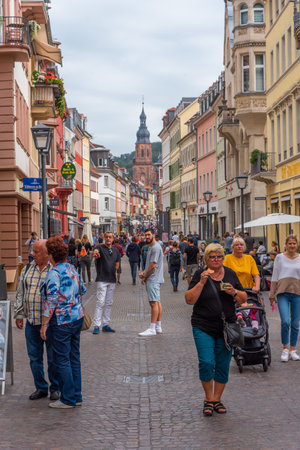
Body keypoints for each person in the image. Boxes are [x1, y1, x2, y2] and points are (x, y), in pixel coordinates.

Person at [185, 243, 246, 416]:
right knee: (206, 362)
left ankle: (217, 399)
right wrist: (202, 283)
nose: (216, 260)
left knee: (222, 364)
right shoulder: (199, 274)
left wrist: (233, 292)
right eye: (212, 257)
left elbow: (243, 299)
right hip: (202, 325)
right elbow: (189, 300)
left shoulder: (231, 274)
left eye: (219, 256)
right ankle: (208, 398)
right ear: (206, 259)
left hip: (227, 328)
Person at [40, 236, 86, 409]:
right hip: (76, 317)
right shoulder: (72, 268)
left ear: (51, 254)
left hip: (61, 320)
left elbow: (51, 300)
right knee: (74, 357)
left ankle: (67, 398)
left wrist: (44, 324)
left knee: (62, 359)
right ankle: (77, 395)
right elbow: (83, 288)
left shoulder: (54, 273)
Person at [14, 240, 59, 401]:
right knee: (34, 358)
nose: (33, 254)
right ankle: (41, 387)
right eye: (33, 251)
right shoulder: (28, 268)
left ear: (47, 254)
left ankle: (55, 388)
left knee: (53, 357)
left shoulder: (54, 269)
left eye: (37, 252)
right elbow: (20, 292)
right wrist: (19, 314)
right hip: (32, 321)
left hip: (50, 324)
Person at [269, 235, 300, 362]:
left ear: (297, 244)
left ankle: (293, 349)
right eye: (290, 243)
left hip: (297, 293)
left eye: (294, 243)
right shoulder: (279, 257)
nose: (292, 245)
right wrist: (272, 294)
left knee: (295, 323)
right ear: (286, 244)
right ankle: (285, 348)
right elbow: (275, 276)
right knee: (285, 321)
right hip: (282, 293)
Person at [92, 231, 120, 334]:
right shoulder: (100, 247)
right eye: (106, 237)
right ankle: (96, 325)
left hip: (111, 279)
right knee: (100, 302)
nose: (108, 239)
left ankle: (106, 324)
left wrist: (113, 270)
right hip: (102, 279)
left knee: (109, 303)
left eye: (110, 237)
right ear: (104, 238)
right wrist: (95, 253)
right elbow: (95, 251)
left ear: (113, 239)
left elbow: (117, 264)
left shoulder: (116, 250)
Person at [138, 228, 164, 336]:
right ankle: (158, 326)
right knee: (157, 302)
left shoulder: (155, 248)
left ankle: (152, 328)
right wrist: (144, 272)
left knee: (153, 303)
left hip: (153, 279)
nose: (147, 237)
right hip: (155, 278)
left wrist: (144, 276)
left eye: (148, 235)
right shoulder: (152, 247)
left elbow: (153, 266)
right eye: (145, 235)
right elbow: (151, 264)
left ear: (153, 234)